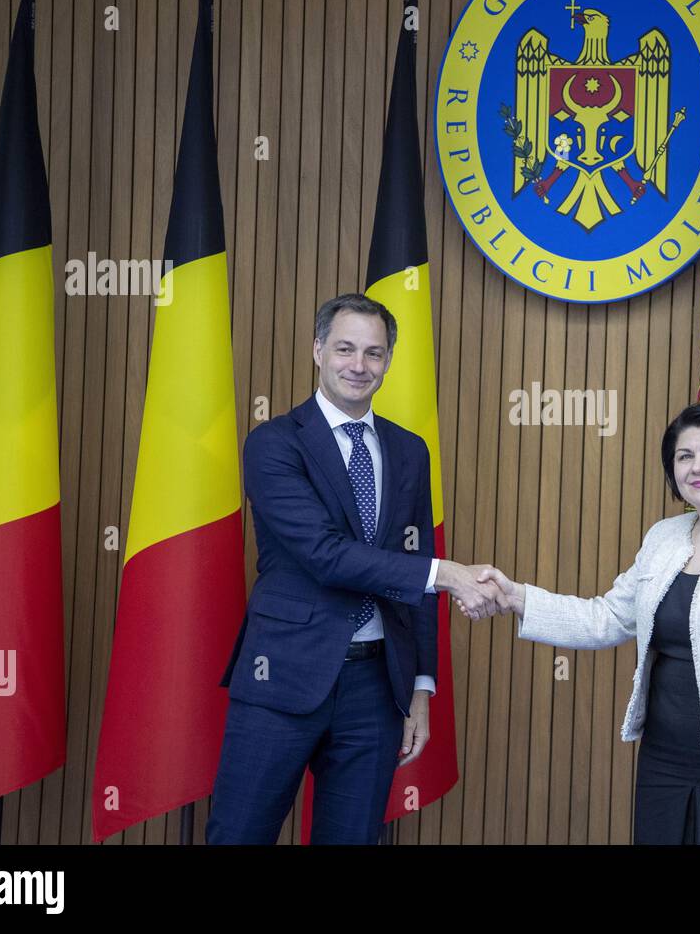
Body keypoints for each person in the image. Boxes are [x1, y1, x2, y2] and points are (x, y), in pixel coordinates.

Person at [206, 293, 504, 844]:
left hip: (374, 687)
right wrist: (449, 574)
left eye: (374, 352)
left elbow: (410, 570)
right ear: (318, 349)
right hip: (283, 677)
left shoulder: (410, 451)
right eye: (345, 348)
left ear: (389, 360)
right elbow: (324, 554)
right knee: (239, 835)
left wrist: (419, 688)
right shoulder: (274, 443)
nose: (358, 365)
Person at [476, 401, 700, 845]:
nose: (697, 467)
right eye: (684, 457)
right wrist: (515, 596)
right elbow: (605, 618)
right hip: (664, 762)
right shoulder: (663, 538)